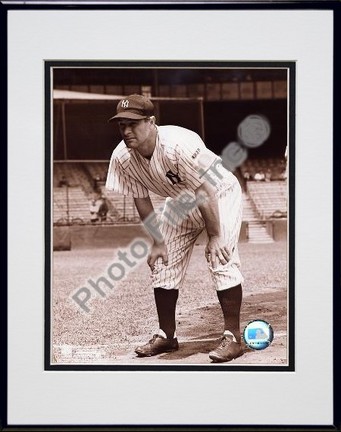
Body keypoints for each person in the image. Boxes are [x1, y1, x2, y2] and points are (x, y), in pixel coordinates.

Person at [106, 94, 244, 363]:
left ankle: (233, 338)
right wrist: (157, 241)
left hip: (219, 192)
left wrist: (214, 236)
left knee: (221, 257)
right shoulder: (122, 156)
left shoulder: (177, 145)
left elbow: (205, 190)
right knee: (163, 263)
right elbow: (140, 198)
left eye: (133, 123)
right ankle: (166, 336)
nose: (126, 130)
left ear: (152, 122)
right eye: (122, 124)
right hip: (180, 202)